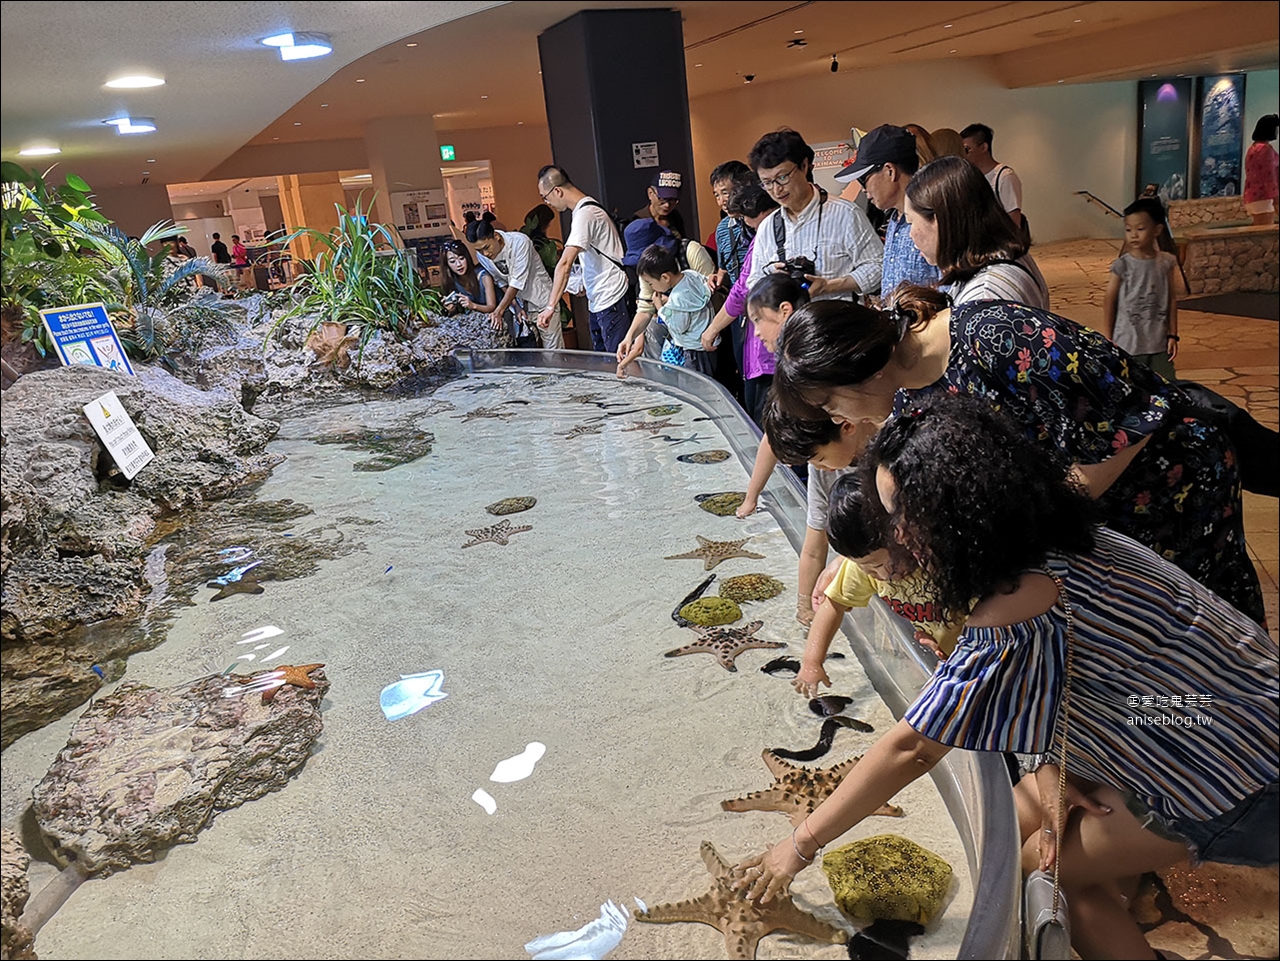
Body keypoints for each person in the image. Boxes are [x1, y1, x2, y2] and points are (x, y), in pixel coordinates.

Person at [733, 394, 1278, 961]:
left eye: (898, 516)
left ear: (957, 517)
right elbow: (1096, 674)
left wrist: (799, 845)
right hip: (1223, 699)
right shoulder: (1047, 525)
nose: (891, 534)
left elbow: (915, 746)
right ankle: (1116, 862)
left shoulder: (1017, 603)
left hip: (1234, 766)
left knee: (1046, 870)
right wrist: (1058, 760)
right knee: (1015, 812)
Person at [770, 286, 1265, 625]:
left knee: (1197, 620)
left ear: (867, 370)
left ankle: (1243, 737)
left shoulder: (996, 336)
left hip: (1169, 485)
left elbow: (1136, 415)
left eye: (831, 404)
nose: (840, 421)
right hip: (1078, 512)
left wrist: (1035, 521)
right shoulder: (904, 395)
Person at [781, 465, 963, 685]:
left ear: (903, 537)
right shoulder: (863, 567)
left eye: (879, 564)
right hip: (927, 653)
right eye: (866, 568)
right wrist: (812, 661)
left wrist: (960, 654)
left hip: (967, 655)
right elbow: (833, 605)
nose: (876, 574)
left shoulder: (940, 563)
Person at [744, 128, 883, 301]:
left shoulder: (845, 214)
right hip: (792, 325)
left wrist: (828, 286)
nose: (776, 189)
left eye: (782, 177)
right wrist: (772, 278)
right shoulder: (768, 226)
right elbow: (753, 282)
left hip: (840, 321)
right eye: (767, 182)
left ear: (804, 165)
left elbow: (878, 267)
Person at [904, 155, 1049, 308]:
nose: (910, 234)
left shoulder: (983, 299)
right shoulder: (1006, 253)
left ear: (939, 220)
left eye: (911, 221)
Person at [699, 182, 782, 427]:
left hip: (768, 354)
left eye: (745, 218)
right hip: (762, 345)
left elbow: (743, 290)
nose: (743, 225)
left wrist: (712, 329)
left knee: (766, 421)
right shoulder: (764, 235)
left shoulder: (767, 235)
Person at [735, 273, 810, 530]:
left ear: (784, 311)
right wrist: (751, 497)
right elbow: (773, 433)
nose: (755, 333)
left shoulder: (802, 363)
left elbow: (771, 437)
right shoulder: (790, 356)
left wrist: (751, 498)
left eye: (757, 320)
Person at [834, 124, 941, 299]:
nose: (863, 190)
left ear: (890, 171)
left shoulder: (932, 219)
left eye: (863, 179)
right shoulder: (894, 219)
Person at [535, 165, 631, 353]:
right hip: (600, 299)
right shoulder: (584, 210)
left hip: (611, 297)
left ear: (557, 191)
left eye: (545, 198)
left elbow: (565, 263)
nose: (548, 203)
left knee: (618, 363)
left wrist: (550, 307)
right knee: (607, 362)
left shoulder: (585, 214)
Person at [618, 210, 715, 363]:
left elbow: (714, 294)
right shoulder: (647, 270)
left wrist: (668, 303)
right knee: (651, 327)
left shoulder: (690, 252)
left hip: (706, 330)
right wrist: (629, 337)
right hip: (679, 334)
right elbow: (645, 309)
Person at [1099, 198, 1179, 381]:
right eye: (1128, 230)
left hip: (1158, 343)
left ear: (1157, 230)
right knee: (1131, 386)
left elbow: (1172, 300)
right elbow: (1109, 299)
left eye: (1140, 229)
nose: (1133, 235)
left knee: (1168, 386)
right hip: (1128, 343)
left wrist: (1173, 334)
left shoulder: (1166, 263)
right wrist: (1109, 336)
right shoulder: (1122, 266)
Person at [465, 220, 560, 349]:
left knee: (553, 350)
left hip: (542, 301)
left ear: (496, 237)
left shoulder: (519, 242)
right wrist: (515, 305)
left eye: (486, 248)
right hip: (521, 305)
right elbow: (501, 281)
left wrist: (499, 310)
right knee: (532, 352)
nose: (485, 254)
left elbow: (516, 282)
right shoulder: (482, 256)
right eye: (479, 250)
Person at [960, 122, 1026, 234]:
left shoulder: (1005, 177)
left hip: (1001, 246)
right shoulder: (968, 178)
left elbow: (1013, 220)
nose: (963, 155)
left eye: (966, 149)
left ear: (983, 147)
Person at [440, 238, 498, 314]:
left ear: (467, 258)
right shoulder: (452, 281)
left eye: (461, 258)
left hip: (498, 314)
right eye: (452, 261)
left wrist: (473, 305)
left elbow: (491, 307)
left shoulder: (483, 276)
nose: (458, 264)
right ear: (447, 265)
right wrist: (451, 309)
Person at [1244, 113, 1279, 226]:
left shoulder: (1253, 148)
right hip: (1263, 197)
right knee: (1265, 236)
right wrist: (1276, 199)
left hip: (1252, 196)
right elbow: (1269, 176)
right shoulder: (1265, 149)